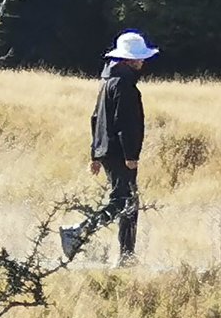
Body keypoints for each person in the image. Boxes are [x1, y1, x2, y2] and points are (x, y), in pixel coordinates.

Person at [62, 30, 156, 265]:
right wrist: (131, 155)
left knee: (127, 202)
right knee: (123, 202)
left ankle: (127, 255)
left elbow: (96, 118)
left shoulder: (108, 83)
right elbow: (126, 123)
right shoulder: (125, 86)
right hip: (119, 153)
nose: (142, 62)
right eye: (139, 58)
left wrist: (95, 154)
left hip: (106, 150)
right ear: (129, 60)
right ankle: (79, 232)